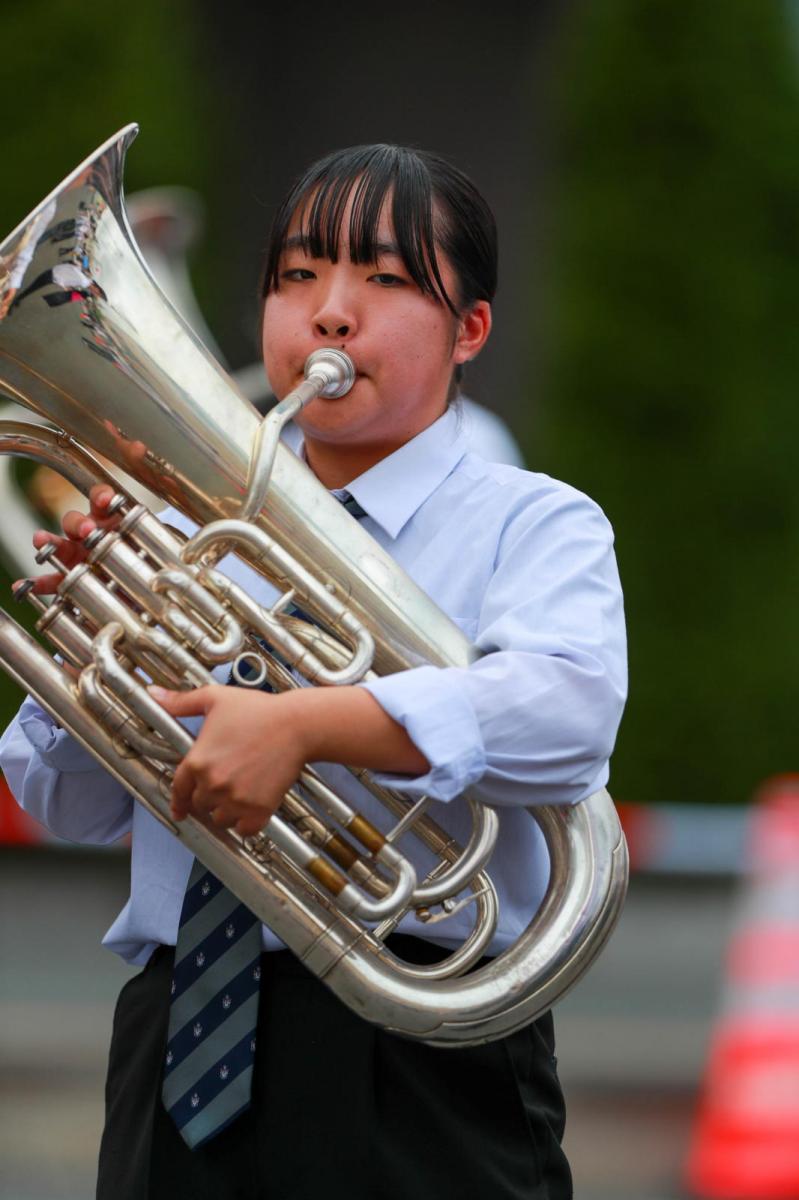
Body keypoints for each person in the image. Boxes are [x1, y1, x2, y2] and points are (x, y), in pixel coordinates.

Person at [0, 143, 627, 1199]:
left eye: (384, 280)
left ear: (470, 329)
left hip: (420, 1060)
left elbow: (569, 716)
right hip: (174, 1038)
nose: (329, 314)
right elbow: (62, 804)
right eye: (297, 277)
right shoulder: (175, 526)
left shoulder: (532, 520)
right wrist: (94, 652)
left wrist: (305, 724)